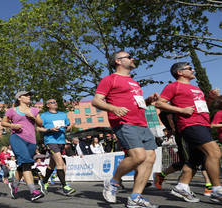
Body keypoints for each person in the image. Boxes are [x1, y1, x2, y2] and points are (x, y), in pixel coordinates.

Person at [92, 51, 159, 207]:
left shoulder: (134, 82)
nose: (132, 59)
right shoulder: (109, 79)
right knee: (138, 156)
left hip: (142, 123)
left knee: (149, 159)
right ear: (118, 61)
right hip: (123, 122)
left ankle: (135, 198)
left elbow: (137, 103)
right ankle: (113, 182)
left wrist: (148, 101)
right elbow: (96, 101)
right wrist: (113, 108)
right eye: (129, 57)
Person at [155, 62, 222, 203]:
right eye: (189, 68)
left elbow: (203, 107)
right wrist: (181, 110)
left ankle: (182, 186)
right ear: (180, 72)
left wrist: (210, 98)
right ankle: (217, 190)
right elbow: (159, 103)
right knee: (215, 152)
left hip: (203, 124)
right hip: (191, 124)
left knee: (195, 160)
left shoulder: (195, 88)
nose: (193, 70)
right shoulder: (173, 86)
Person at [1, 91, 45, 202]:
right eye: (26, 95)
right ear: (20, 98)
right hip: (17, 138)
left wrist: (33, 117)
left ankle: (14, 185)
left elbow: (40, 123)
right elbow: (3, 122)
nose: (29, 97)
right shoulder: (12, 110)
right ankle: (33, 191)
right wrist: (12, 125)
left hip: (31, 140)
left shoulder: (34, 110)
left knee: (24, 164)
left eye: (29, 95)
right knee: (25, 162)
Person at [38, 98, 76, 196]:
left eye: (56, 102)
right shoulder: (44, 115)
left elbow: (68, 126)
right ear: (48, 105)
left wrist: (69, 127)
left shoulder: (63, 114)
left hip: (61, 141)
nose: (55, 103)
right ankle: (65, 187)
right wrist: (49, 129)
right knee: (60, 162)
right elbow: (38, 128)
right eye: (52, 102)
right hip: (50, 141)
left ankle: (44, 181)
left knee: (52, 164)